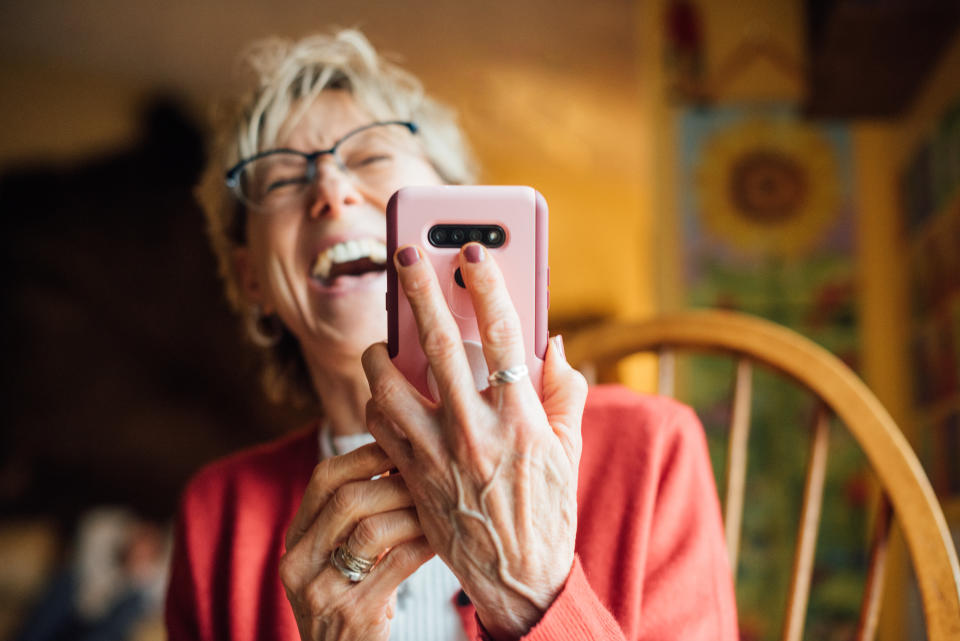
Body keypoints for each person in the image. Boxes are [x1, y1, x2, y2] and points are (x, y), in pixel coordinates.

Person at [166, 29, 738, 641]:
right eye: (281, 179)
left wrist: (526, 590)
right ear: (253, 279)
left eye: (370, 156)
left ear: (462, 211)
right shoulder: (217, 514)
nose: (330, 190)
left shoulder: (651, 450)